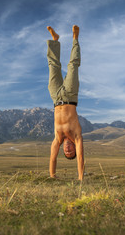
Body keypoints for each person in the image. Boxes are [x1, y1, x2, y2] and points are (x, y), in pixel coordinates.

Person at [46, 25, 84, 181]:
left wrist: (52, 176)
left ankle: (55, 40)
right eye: (71, 151)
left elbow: (52, 158)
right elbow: (81, 158)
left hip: (55, 97)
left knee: (53, 66)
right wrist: (81, 179)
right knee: (73, 66)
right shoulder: (77, 136)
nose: (68, 149)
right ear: (75, 148)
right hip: (70, 95)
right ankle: (75, 38)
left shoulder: (57, 138)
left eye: (66, 152)